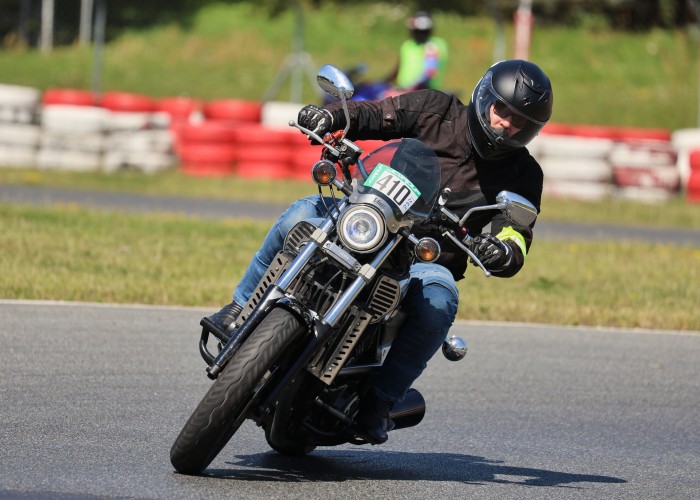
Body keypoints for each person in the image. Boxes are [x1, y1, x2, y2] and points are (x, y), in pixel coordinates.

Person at [208, 59, 553, 444]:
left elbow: (518, 231)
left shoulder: (524, 175)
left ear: (531, 130)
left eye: (519, 120)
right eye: (502, 110)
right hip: (368, 217)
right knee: (300, 213)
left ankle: (379, 402)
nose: (506, 123)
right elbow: (376, 115)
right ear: (484, 97)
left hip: (425, 258)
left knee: (440, 301)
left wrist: (503, 250)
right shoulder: (436, 109)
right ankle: (239, 309)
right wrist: (329, 115)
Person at [384, 11, 449, 91]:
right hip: (403, 92)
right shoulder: (407, 45)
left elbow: (429, 73)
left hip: (424, 93)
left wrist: (412, 90)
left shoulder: (433, 46)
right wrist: (382, 82)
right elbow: (398, 69)